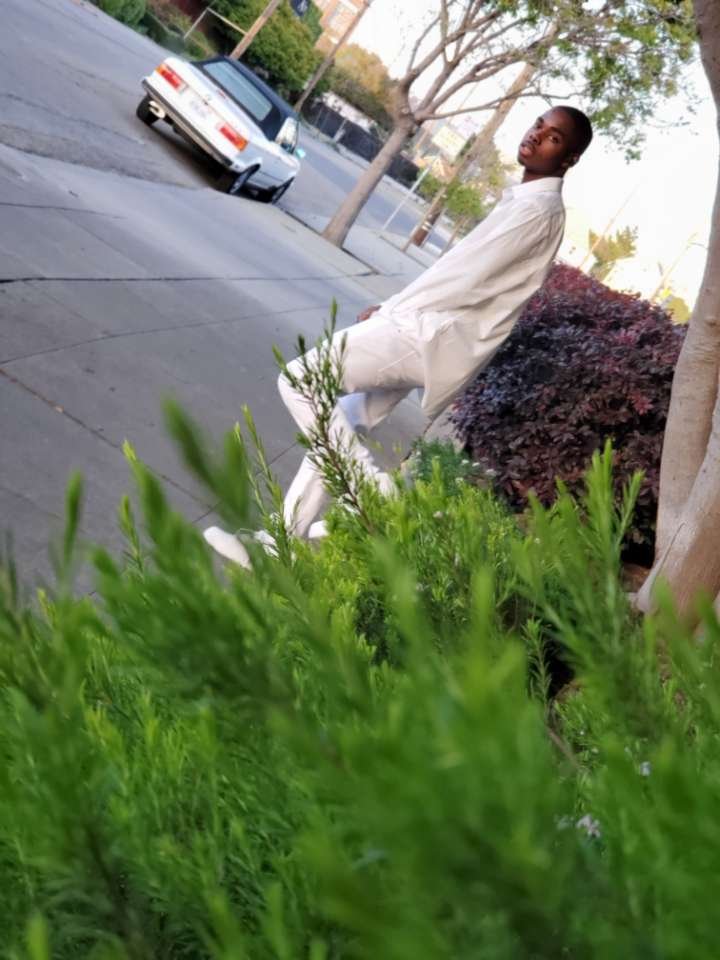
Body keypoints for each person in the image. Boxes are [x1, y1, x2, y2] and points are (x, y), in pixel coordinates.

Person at [204, 106, 593, 564]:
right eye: (537, 125)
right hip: (434, 333)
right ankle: (279, 547)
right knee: (342, 422)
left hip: (427, 332)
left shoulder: (536, 210)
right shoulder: (526, 201)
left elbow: (466, 278)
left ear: (569, 159)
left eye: (553, 138)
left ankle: (372, 491)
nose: (535, 136)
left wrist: (388, 310)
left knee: (301, 381)